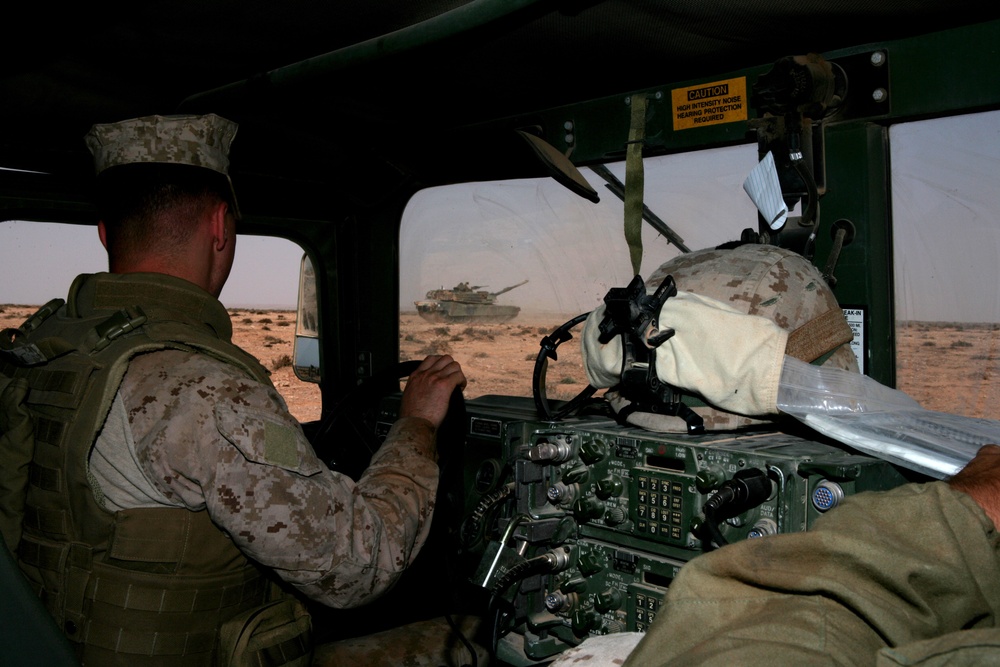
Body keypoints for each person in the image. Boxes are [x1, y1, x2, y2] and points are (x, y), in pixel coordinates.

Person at [0, 114, 466, 666]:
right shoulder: (203, 391)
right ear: (221, 227)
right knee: (468, 641)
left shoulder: (39, 352)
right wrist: (416, 424)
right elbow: (359, 564)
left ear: (105, 232)